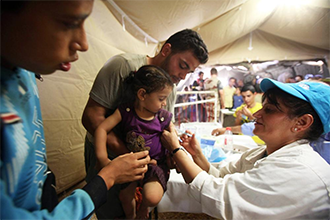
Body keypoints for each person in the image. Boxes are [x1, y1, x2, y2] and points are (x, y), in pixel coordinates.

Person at [0, 1, 151, 220]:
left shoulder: (23, 69)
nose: (83, 43)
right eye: (68, 23)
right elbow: (95, 123)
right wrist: (107, 175)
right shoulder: (121, 88)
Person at [82, 29, 208, 219]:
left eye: (188, 72)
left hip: (145, 165)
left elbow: (161, 126)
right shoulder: (122, 66)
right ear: (166, 50)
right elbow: (91, 115)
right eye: (182, 65)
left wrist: (171, 151)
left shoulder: (170, 88)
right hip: (109, 156)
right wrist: (128, 156)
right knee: (113, 211)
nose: (183, 76)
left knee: (143, 204)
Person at [161, 78, 330, 219]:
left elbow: (219, 196)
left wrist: (176, 150)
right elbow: (220, 177)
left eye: (270, 110)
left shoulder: (297, 169)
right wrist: (197, 154)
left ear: (301, 123)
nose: (256, 114)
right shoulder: (260, 153)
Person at [94, 65, 173, 220]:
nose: (165, 103)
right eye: (161, 98)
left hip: (155, 165)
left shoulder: (163, 117)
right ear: (142, 94)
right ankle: (131, 217)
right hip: (132, 164)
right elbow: (101, 129)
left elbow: (173, 139)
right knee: (124, 196)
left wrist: (174, 156)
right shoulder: (126, 111)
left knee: (151, 197)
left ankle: (144, 208)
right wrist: (102, 159)